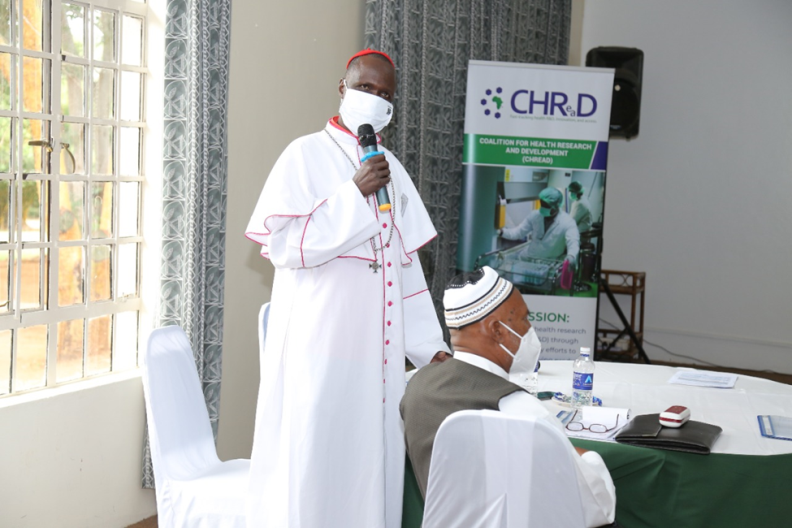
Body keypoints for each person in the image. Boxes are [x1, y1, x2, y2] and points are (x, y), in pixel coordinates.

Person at [244, 49, 451, 528]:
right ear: (343, 88)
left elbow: (405, 268)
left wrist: (428, 347)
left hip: (375, 362)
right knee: (316, 466)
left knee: (369, 469)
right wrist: (351, 195)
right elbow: (285, 246)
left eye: (385, 95)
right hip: (319, 351)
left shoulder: (393, 169)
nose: (374, 100)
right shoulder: (304, 154)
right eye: (365, 89)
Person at [400, 266, 617, 527]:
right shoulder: (519, 409)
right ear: (498, 330)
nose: (530, 330)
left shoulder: (416, 387)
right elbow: (596, 509)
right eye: (525, 320)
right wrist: (587, 458)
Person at [499, 187, 580, 266]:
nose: (543, 207)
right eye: (542, 203)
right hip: (527, 260)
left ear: (556, 206)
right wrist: (501, 232)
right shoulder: (535, 215)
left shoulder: (567, 222)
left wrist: (571, 256)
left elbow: (573, 241)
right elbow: (518, 232)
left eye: (546, 205)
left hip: (548, 265)